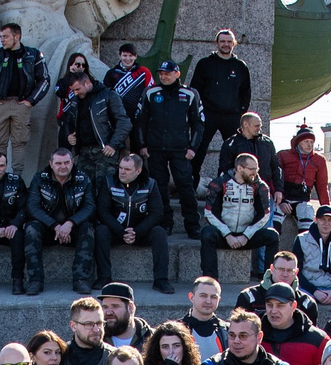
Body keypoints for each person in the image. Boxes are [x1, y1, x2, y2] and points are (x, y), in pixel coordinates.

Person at [133, 59, 205, 239]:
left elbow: (199, 124)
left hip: (181, 150)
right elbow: (140, 121)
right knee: (158, 188)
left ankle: (193, 225)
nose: (164, 76)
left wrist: (193, 148)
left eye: (168, 73)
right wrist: (142, 145)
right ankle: (165, 223)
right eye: (162, 73)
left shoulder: (190, 94)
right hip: (155, 149)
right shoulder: (151, 92)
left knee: (186, 187)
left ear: (177, 74)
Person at [0, 20, 49, 175]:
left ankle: (17, 179)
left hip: (21, 104)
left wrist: (31, 101)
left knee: (19, 143)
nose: (2, 39)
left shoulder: (33, 54)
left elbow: (44, 79)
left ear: (17, 37)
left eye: (5, 36)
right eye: (1, 37)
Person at [24, 147, 97, 294]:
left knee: (88, 228)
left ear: (72, 162)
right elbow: (32, 207)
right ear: (51, 163)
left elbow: (90, 207)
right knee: (31, 228)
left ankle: (81, 279)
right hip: (49, 229)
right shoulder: (40, 178)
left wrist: (70, 223)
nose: (63, 166)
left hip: (73, 229)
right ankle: (35, 281)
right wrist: (55, 226)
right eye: (58, 163)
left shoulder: (83, 179)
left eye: (66, 162)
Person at [99, 150, 173, 293]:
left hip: (140, 231)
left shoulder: (150, 184)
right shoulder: (109, 182)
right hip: (116, 230)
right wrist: (121, 231)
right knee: (100, 231)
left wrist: (137, 232)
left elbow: (157, 213)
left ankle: (161, 280)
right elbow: (103, 211)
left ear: (138, 171)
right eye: (120, 168)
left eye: (127, 169)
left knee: (159, 233)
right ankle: (104, 277)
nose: (122, 172)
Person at [198, 152, 277, 283]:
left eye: (257, 169)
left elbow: (265, 214)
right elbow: (209, 212)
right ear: (239, 168)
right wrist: (228, 235)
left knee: (272, 235)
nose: (255, 173)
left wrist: (246, 235)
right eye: (252, 169)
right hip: (224, 235)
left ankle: (270, 281)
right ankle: (209, 281)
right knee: (207, 234)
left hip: (247, 236)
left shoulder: (260, 186)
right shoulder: (219, 183)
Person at [191, 29, 251, 177]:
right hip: (208, 115)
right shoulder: (205, 64)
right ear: (216, 43)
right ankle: (189, 189)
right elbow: (195, 90)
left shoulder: (240, 66)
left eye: (229, 42)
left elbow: (246, 92)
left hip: (232, 117)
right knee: (197, 151)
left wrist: (241, 113)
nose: (226, 44)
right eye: (223, 41)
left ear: (234, 44)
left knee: (235, 153)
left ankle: (230, 184)